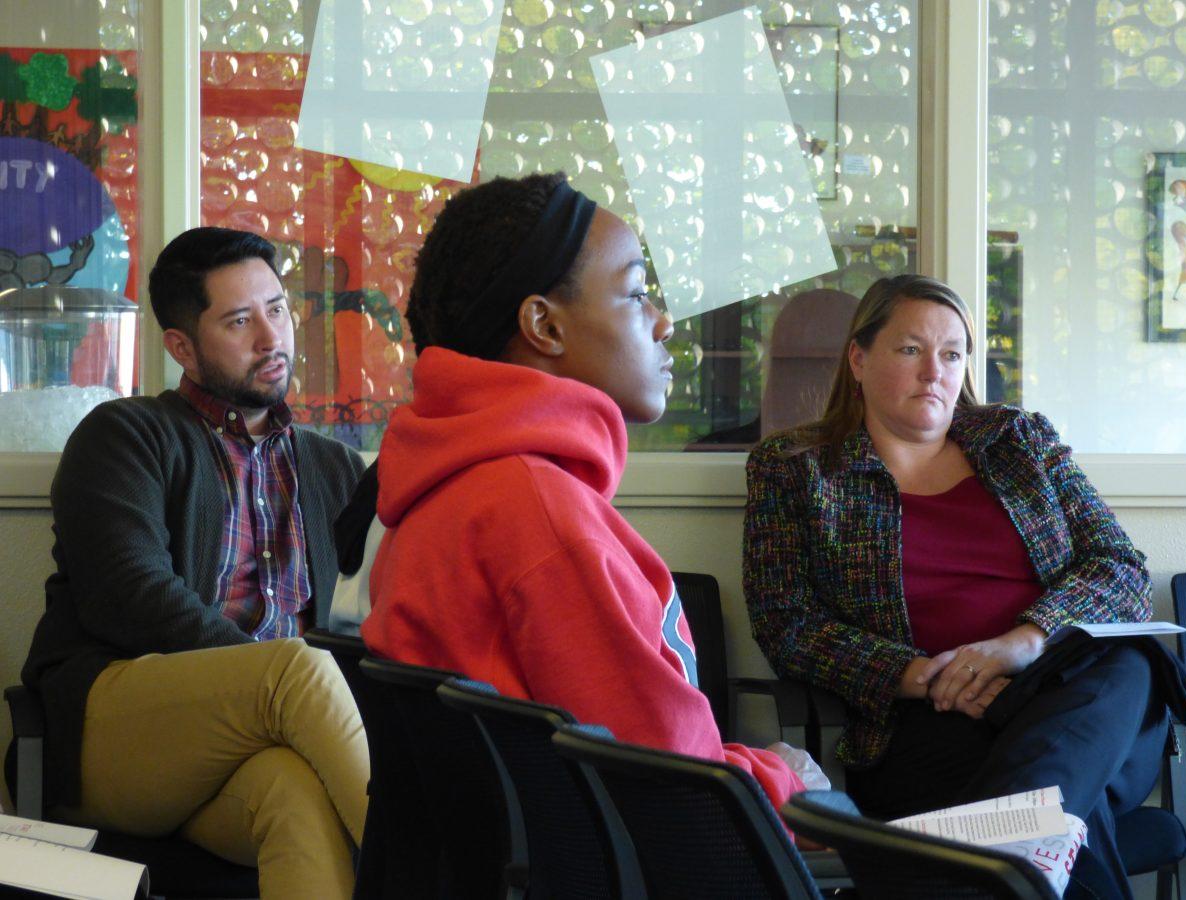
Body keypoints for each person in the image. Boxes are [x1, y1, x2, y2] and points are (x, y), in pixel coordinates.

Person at [360, 171, 825, 813]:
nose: (662, 324)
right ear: (544, 327)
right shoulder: (538, 513)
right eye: (636, 293)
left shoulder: (464, 490)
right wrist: (785, 780)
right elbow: (672, 787)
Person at [743, 273, 1167, 899]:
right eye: (910, 349)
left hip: (1073, 698)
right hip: (931, 723)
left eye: (952, 353)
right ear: (858, 359)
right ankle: (1017, 848)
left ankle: (1004, 844)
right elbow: (787, 623)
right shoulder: (796, 469)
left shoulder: (1019, 441)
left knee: (1125, 661)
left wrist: (1022, 644)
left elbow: (1121, 566)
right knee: (1063, 812)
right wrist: (927, 675)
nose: (934, 372)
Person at [19, 227, 369, 899]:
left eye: (276, 308)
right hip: (118, 729)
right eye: (240, 321)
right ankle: (422, 871)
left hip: (278, 734)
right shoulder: (125, 435)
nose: (272, 338)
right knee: (295, 668)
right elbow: (129, 594)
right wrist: (267, 680)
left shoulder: (334, 469)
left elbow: (358, 622)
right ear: (181, 344)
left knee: (292, 795)